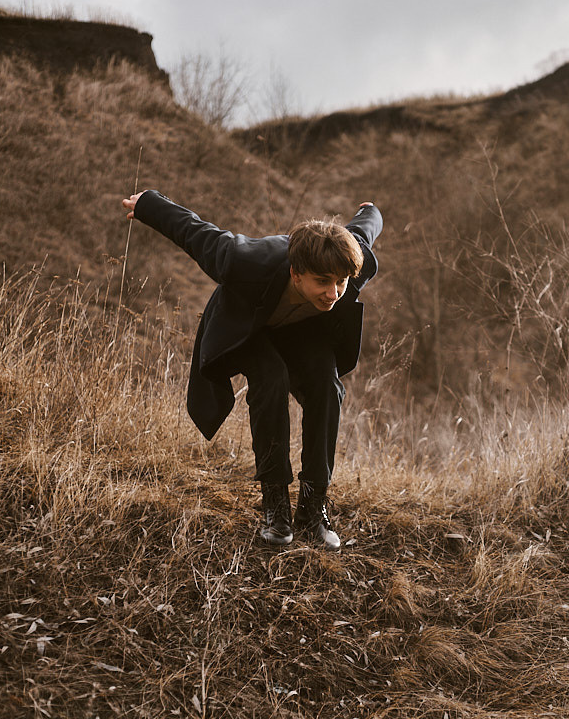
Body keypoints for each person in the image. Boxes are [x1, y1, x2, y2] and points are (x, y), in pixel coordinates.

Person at [121, 190, 382, 550]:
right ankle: (275, 504)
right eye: (322, 282)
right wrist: (148, 204)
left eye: (340, 282)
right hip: (251, 329)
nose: (333, 293)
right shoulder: (245, 260)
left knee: (327, 384)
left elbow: (365, 228)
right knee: (271, 378)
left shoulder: (351, 262)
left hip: (301, 333)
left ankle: (313, 506)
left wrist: (370, 209)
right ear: (296, 272)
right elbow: (198, 233)